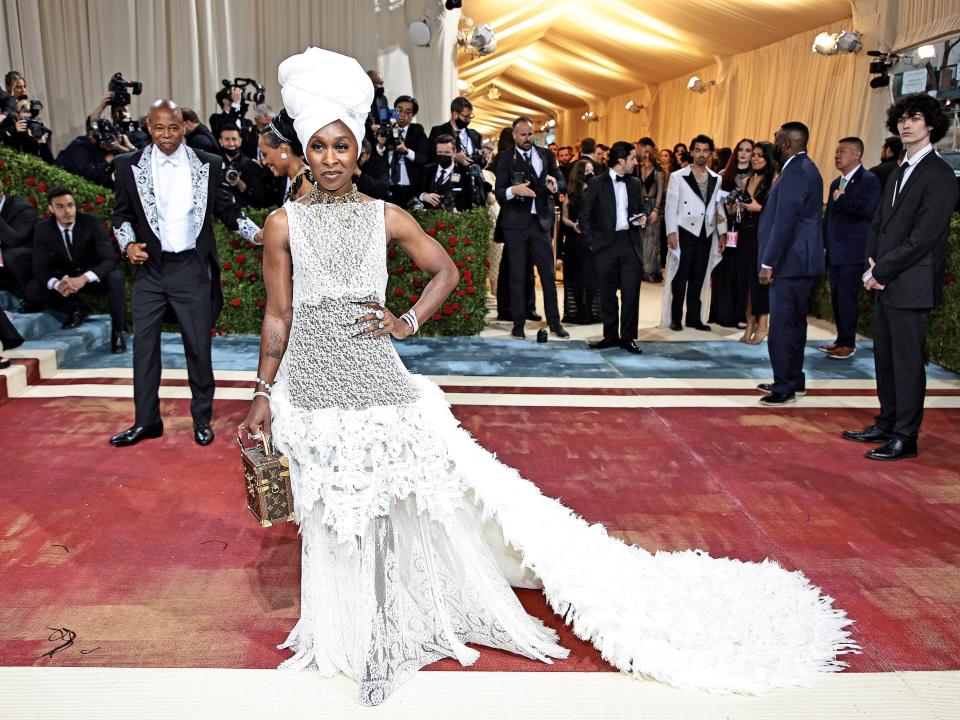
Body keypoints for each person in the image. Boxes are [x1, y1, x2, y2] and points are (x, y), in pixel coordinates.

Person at [238, 47, 856, 708]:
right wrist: (262, 395)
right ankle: (341, 628)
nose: (331, 158)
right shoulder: (282, 224)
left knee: (389, 508)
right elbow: (278, 318)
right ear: (304, 152)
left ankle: (386, 635)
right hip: (311, 379)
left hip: (375, 377)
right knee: (333, 509)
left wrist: (408, 322)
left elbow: (445, 271)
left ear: (358, 151)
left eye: (342, 146)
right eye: (319, 147)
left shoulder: (387, 217)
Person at [109, 99, 262, 448]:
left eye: (173, 127)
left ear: (184, 126)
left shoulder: (207, 164)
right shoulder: (127, 164)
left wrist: (256, 234)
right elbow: (120, 215)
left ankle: (201, 419)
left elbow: (228, 209)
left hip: (191, 268)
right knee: (144, 348)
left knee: (198, 348)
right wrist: (127, 245)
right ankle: (146, 421)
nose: (166, 135)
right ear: (149, 127)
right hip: (149, 269)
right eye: (159, 128)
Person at [844, 93, 959, 460]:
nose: (906, 124)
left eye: (915, 118)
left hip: (912, 283)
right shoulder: (896, 170)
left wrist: (884, 269)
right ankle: (887, 421)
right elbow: (878, 223)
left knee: (907, 363)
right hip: (886, 278)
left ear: (931, 125)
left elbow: (924, 236)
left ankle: (905, 438)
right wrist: (873, 265)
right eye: (902, 118)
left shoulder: (940, 174)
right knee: (885, 358)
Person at [756, 121, 824, 406]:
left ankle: (784, 386)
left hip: (789, 262)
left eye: (776, 139)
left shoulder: (796, 171)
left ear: (786, 143)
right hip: (800, 261)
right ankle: (793, 378)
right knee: (794, 323)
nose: (773, 144)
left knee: (783, 326)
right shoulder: (806, 168)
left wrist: (768, 262)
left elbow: (785, 221)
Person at [494, 117, 568, 339]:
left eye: (531, 134)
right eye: (524, 135)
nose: (528, 139)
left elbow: (561, 182)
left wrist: (555, 186)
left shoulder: (546, 155)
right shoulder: (505, 157)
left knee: (547, 275)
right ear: (515, 135)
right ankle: (518, 324)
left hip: (541, 224)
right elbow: (499, 191)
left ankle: (555, 322)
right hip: (515, 225)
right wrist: (513, 190)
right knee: (517, 276)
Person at [32, 187, 127, 350]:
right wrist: (57, 284)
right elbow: (39, 266)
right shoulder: (43, 229)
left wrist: (84, 278)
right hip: (66, 279)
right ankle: (75, 307)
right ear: (51, 209)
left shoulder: (91, 222)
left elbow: (109, 259)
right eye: (60, 207)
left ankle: (117, 332)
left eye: (70, 205)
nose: (67, 211)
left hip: (92, 278)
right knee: (31, 289)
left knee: (115, 278)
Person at [580, 141, 646, 354]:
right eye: (633, 158)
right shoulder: (597, 184)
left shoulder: (635, 183)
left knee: (631, 293)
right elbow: (584, 215)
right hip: (605, 245)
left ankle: (628, 337)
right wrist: (593, 243)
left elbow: (640, 209)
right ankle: (610, 335)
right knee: (607, 292)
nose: (636, 162)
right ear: (621, 160)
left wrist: (642, 219)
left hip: (629, 243)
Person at [820, 137, 881, 360]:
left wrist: (844, 200)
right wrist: (824, 244)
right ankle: (840, 339)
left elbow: (868, 210)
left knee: (847, 297)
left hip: (854, 250)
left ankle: (848, 342)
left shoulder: (869, 180)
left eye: (842, 151)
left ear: (857, 154)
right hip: (835, 250)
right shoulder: (836, 183)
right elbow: (829, 218)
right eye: (836, 151)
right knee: (837, 296)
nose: (837, 155)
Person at [661, 134, 726, 332]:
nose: (701, 154)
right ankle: (676, 317)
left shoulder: (716, 178)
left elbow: (718, 207)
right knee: (681, 277)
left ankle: (694, 318)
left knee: (699, 276)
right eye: (698, 150)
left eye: (705, 150)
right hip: (684, 230)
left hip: (706, 232)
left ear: (711, 154)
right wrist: (671, 231)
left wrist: (722, 233)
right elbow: (670, 206)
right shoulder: (678, 176)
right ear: (691, 152)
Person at [711, 138, 754, 328]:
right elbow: (715, 201)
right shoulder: (723, 175)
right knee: (723, 269)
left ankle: (740, 314)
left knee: (741, 271)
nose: (744, 153)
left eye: (748, 150)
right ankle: (722, 312)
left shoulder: (756, 176)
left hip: (746, 228)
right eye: (741, 150)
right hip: (725, 227)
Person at [738, 142, 777, 344]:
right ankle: (750, 321)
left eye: (760, 155)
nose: (755, 158)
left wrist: (758, 208)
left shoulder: (774, 180)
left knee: (759, 281)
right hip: (745, 233)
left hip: (763, 234)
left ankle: (763, 324)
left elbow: (776, 213)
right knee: (747, 282)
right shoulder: (746, 180)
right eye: (753, 155)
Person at [558, 157, 599, 324]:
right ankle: (579, 310)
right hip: (575, 240)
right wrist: (573, 225)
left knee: (591, 277)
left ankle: (589, 310)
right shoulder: (571, 193)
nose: (591, 173)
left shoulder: (596, 190)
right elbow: (564, 218)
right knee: (575, 277)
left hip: (591, 239)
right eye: (587, 170)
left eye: (592, 170)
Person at [375, 95, 429, 209]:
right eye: (399, 110)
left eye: (408, 112)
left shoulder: (417, 130)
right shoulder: (387, 130)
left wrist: (406, 151)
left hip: (410, 187)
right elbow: (377, 159)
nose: (402, 114)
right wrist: (380, 145)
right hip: (388, 186)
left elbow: (424, 158)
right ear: (394, 111)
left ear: (413, 115)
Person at [259, 109, 314, 204]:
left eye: (265, 155)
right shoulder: (295, 178)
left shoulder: (306, 184)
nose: (264, 162)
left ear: (283, 149)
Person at [0, 184, 39, 311]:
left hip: (25, 253)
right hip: (4, 254)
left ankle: (32, 297)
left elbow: (15, 241)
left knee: (10, 255)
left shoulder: (22, 208)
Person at [218, 125, 273, 208]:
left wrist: (241, 184)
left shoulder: (252, 166)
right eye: (227, 139)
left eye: (234, 139)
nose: (231, 143)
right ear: (220, 142)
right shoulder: (215, 165)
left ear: (240, 141)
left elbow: (261, 199)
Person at [417, 134, 471, 211]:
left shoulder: (463, 173)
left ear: (454, 152)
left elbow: (468, 199)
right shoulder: (427, 170)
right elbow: (414, 190)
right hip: (427, 217)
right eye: (440, 152)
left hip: (453, 219)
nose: (443, 155)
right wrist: (424, 196)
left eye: (446, 152)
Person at [637, 144, 664, 283]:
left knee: (652, 239)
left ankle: (650, 270)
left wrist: (656, 209)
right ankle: (639, 269)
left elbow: (660, 192)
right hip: (639, 206)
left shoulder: (658, 171)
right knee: (639, 237)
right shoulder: (637, 168)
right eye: (644, 151)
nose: (646, 154)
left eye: (649, 151)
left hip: (653, 205)